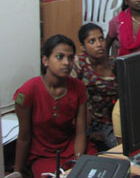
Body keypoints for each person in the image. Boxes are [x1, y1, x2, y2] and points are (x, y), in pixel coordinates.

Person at [12, 35, 97, 178]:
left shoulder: (78, 87)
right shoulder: (27, 91)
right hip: (44, 154)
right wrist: (18, 171)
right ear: (45, 61)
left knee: (100, 170)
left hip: (73, 146)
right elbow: (24, 137)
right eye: (59, 57)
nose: (66, 63)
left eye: (70, 58)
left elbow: (81, 132)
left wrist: (78, 161)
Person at [71, 23, 118, 151]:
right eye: (92, 41)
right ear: (83, 47)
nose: (99, 44)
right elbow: (70, 97)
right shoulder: (79, 64)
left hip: (113, 120)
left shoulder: (115, 63)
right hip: (89, 122)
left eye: (101, 39)